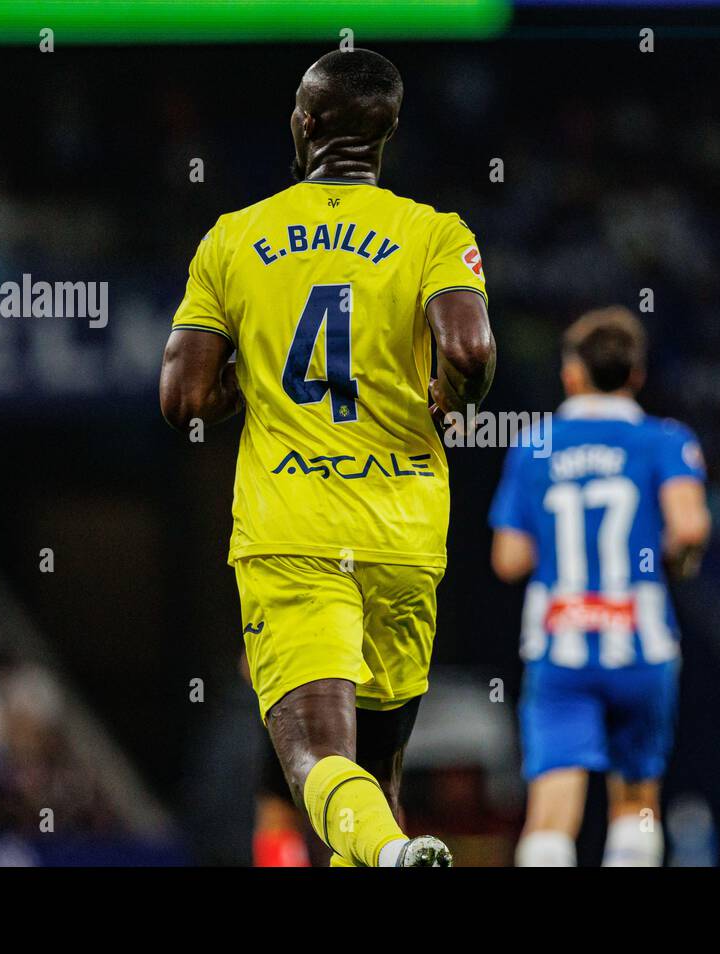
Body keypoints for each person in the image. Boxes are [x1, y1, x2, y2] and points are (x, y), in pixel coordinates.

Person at [159, 48, 495, 867]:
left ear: (304, 124)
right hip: (404, 534)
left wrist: (243, 385)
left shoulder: (234, 239)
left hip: (293, 533)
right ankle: (389, 850)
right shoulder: (433, 233)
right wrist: (457, 395)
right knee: (373, 779)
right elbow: (471, 346)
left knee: (312, 762)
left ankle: (394, 853)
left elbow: (183, 399)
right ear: (387, 135)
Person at [489, 306, 709, 866]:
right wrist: (674, 564)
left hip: (561, 642)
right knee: (636, 799)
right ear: (635, 376)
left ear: (571, 375)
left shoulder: (535, 445)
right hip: (640, 642)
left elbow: (509, 559)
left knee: (553, 800)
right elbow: (688, 527)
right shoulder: (664, 439)